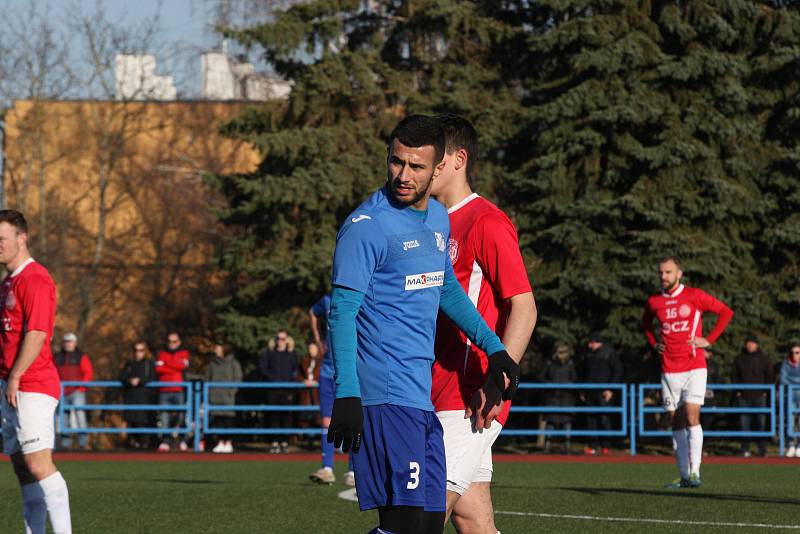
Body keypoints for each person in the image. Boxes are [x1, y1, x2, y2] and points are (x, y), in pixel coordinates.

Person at [327, 114, 518, 534]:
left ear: (437, 169)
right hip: (383, 395)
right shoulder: (366, 227)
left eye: (416, 167)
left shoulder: (436, 219)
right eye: (397, 162)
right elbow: (341, 312)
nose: (403, 175)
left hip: (420, 397)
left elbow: (447, 290)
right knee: (408, 524)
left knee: (429, 524)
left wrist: (494, 346)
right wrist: (347, 394)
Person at [429, 114, 536, 533]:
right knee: (473, 520)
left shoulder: (486, 221)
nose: (422, 170)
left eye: (432, 160)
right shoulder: (429, 224)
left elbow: (524, 307)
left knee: (421, 515)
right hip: (432, 389)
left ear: (458, 159)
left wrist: (497, 382)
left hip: (470, 394)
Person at [0, 209, 72, 533]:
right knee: (22, 468)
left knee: (38, 464)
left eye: (2, 239)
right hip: (9, 386)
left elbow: (38, 333)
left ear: (22, 238)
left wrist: (15, 376)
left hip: (33, 383)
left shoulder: (36, 278)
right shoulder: (9, 281)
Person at [642, 256, 733, 489]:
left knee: (692, 416)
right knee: (676, 422)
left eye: (668, 272)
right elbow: (646, 324)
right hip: (669, 370)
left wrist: (709, 340)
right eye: (661, 273)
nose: (664, 276)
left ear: (679, 273)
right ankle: (683, 475)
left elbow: (725, 312)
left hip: (694, 366)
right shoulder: (654, 302)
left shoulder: (694, 296)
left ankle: (695, 472)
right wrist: (654, 343)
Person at [308, 294, 355, 486]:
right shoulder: (327, 300)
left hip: (349, 372)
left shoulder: (356, 296)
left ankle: (353, 472)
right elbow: (312, 313)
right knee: (327, 421)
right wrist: (318, 340)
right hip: (327, 372)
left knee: (351, 421)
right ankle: (327, 469)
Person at [579, 332, 623, 456]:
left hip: (604, 393)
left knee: (604, 419)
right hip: (590, 392)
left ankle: (606, 446)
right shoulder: (587, 354)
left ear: (599, 342)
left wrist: (611, 389)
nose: (589, 345)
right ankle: (592, 446)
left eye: (592, 342)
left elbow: (617, 372)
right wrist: (582, 390)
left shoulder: (610, 353)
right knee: (590, 420)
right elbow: (583, 372)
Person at [733, 335, 774, 457]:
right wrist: (737, 391)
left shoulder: (764, 359)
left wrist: (766, 390)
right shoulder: (739, 359)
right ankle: (745, 448)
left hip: (759, 395)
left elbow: (770, 375)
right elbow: (734, 375)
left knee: (760, 422)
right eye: (748, 343)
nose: (750, 345)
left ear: (757, 344)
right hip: (744, 396)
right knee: (744, 422)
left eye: (752, 343)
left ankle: (762, 449)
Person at [259, 330, 298, 454]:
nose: (280, 341)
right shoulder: (269, 354)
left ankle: (284, 442)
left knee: (286, 416)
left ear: (287, 340)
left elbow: (296, 370)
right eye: (278, 338)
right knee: (273, 416)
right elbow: (263, 369)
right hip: (273, 390)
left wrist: (290, 381)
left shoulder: (292, 354)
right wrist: (272, 379)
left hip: (287, 390)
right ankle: (274, 442)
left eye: (283, 338)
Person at [54, 332, 93, 450]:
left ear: (75, 343)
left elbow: (88, 372)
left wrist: (81, 387)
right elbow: (53, 372)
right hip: (62, 391)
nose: (68, 344)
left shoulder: (81, 356)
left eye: (70, 341)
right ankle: (66, 444)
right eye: (66, 341)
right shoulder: (58, 357)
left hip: (77, 391)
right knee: (63, 417)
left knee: (80, 415)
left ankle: (83, 443)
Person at [155, 331, 191, 452]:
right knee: (164, 417)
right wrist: (174, 364)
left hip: (179, 390)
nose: (172, 344)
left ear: (179, 342)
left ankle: (183, 440)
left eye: (174, 341)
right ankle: (165, 441)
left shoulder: (184, 353)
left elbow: (183, 366)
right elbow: (158, 368)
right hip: (164, 390)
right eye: (170, 341)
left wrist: (167, 362)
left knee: (181, 416)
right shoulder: (161, 353)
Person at [539, 342, 576, 453]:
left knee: (567, 421)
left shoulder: (570, 363)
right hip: (552, 396)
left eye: (563, 352)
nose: (560, 355)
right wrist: (550, 384)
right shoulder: (549, 363)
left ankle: (567, 445)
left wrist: (567, 384)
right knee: (550, 420)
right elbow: (541, 377)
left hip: (566, 397)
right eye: (559, 352)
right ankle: (547, 445)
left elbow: (574, 378)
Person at [206, 343, 242, 454]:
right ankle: (220, 441)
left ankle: (229, 442)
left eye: (217, 347)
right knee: (218, 420)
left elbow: (238, 378)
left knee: (228, 420)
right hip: (215, 396)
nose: (215, 349)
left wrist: (231, 392)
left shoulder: (233, 363)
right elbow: (207, 378)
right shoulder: (212, 363)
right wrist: (210, 392)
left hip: (228, 397)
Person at [119, 341, 156, 449]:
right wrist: (129, 381)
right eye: (135, 350)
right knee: (131, 422)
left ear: (145, 351)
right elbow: (122, 377)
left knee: (142, 422)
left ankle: (144, 444)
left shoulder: (148, 363)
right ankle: (134, 444)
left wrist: (140, 381)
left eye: (140, 350)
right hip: (131, 397)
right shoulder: (129, 363)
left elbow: (152, 377)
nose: (137, 353)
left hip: (144, 397)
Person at [780, 343, 800, 457]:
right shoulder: (785, 364)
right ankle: (791, 445)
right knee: (790, 421)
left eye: (797, 352)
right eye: (792, 352)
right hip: (790, 397)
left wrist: (792, 381)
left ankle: (799, 446)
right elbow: (783, 380)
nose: (794, 355)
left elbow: (787, 380)